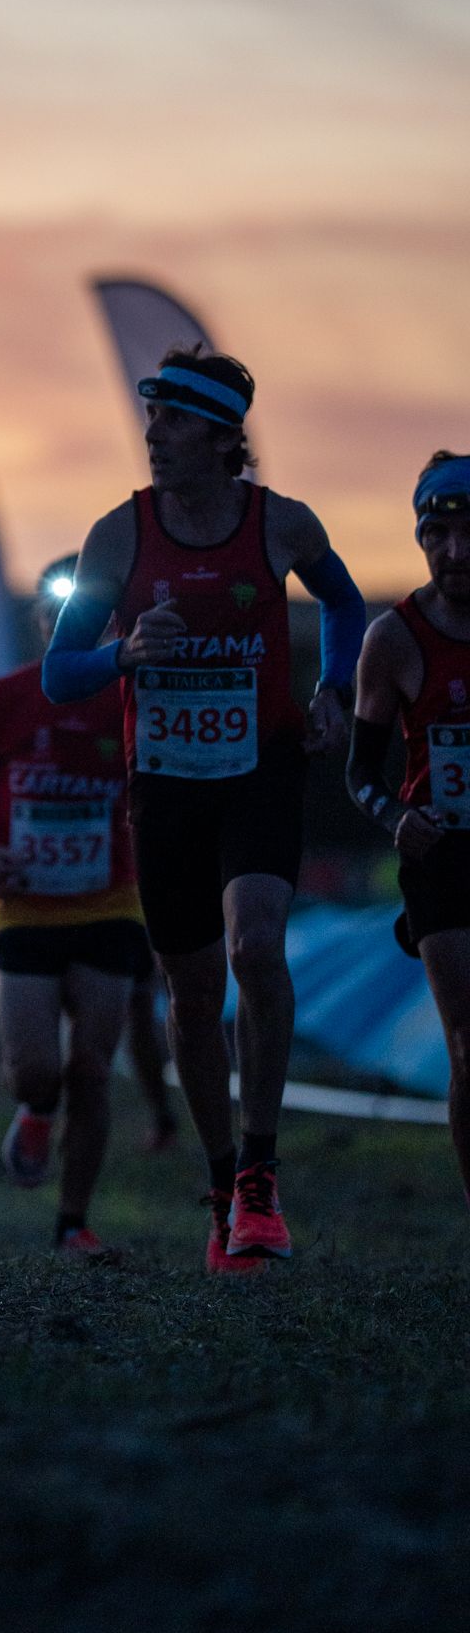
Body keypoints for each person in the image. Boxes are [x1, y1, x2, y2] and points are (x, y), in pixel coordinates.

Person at [44, 347, 364, 1271]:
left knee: (255, 945)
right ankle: (223, 1183)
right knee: (190, 994)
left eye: (178, 421)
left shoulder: (281, 526)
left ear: (227, 439)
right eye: (153, 420)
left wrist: (335, 690)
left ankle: (262, 1176)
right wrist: (125, 652)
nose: (156, 437)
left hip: (259, 769)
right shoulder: (118, 537)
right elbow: (64, 675)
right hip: (168, 785)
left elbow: (345, 605)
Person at [0, 558, 153, 1257]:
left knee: (91, 1068)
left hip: (110, 907)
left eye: (91, 612)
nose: (72, 624)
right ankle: (35, 1109)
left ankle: (73, 1221)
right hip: (25, 912)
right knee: (36, 1070)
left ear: (114, 623)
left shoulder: (134, 699)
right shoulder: (2, 699)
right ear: (38, 620)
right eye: (58, 611)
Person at [347, 453, 470, 1202]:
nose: (455, 554)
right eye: (438, 535)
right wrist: (397, 818)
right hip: (445, 857)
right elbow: (360, 776)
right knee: (468, 1045)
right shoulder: (394, 639)